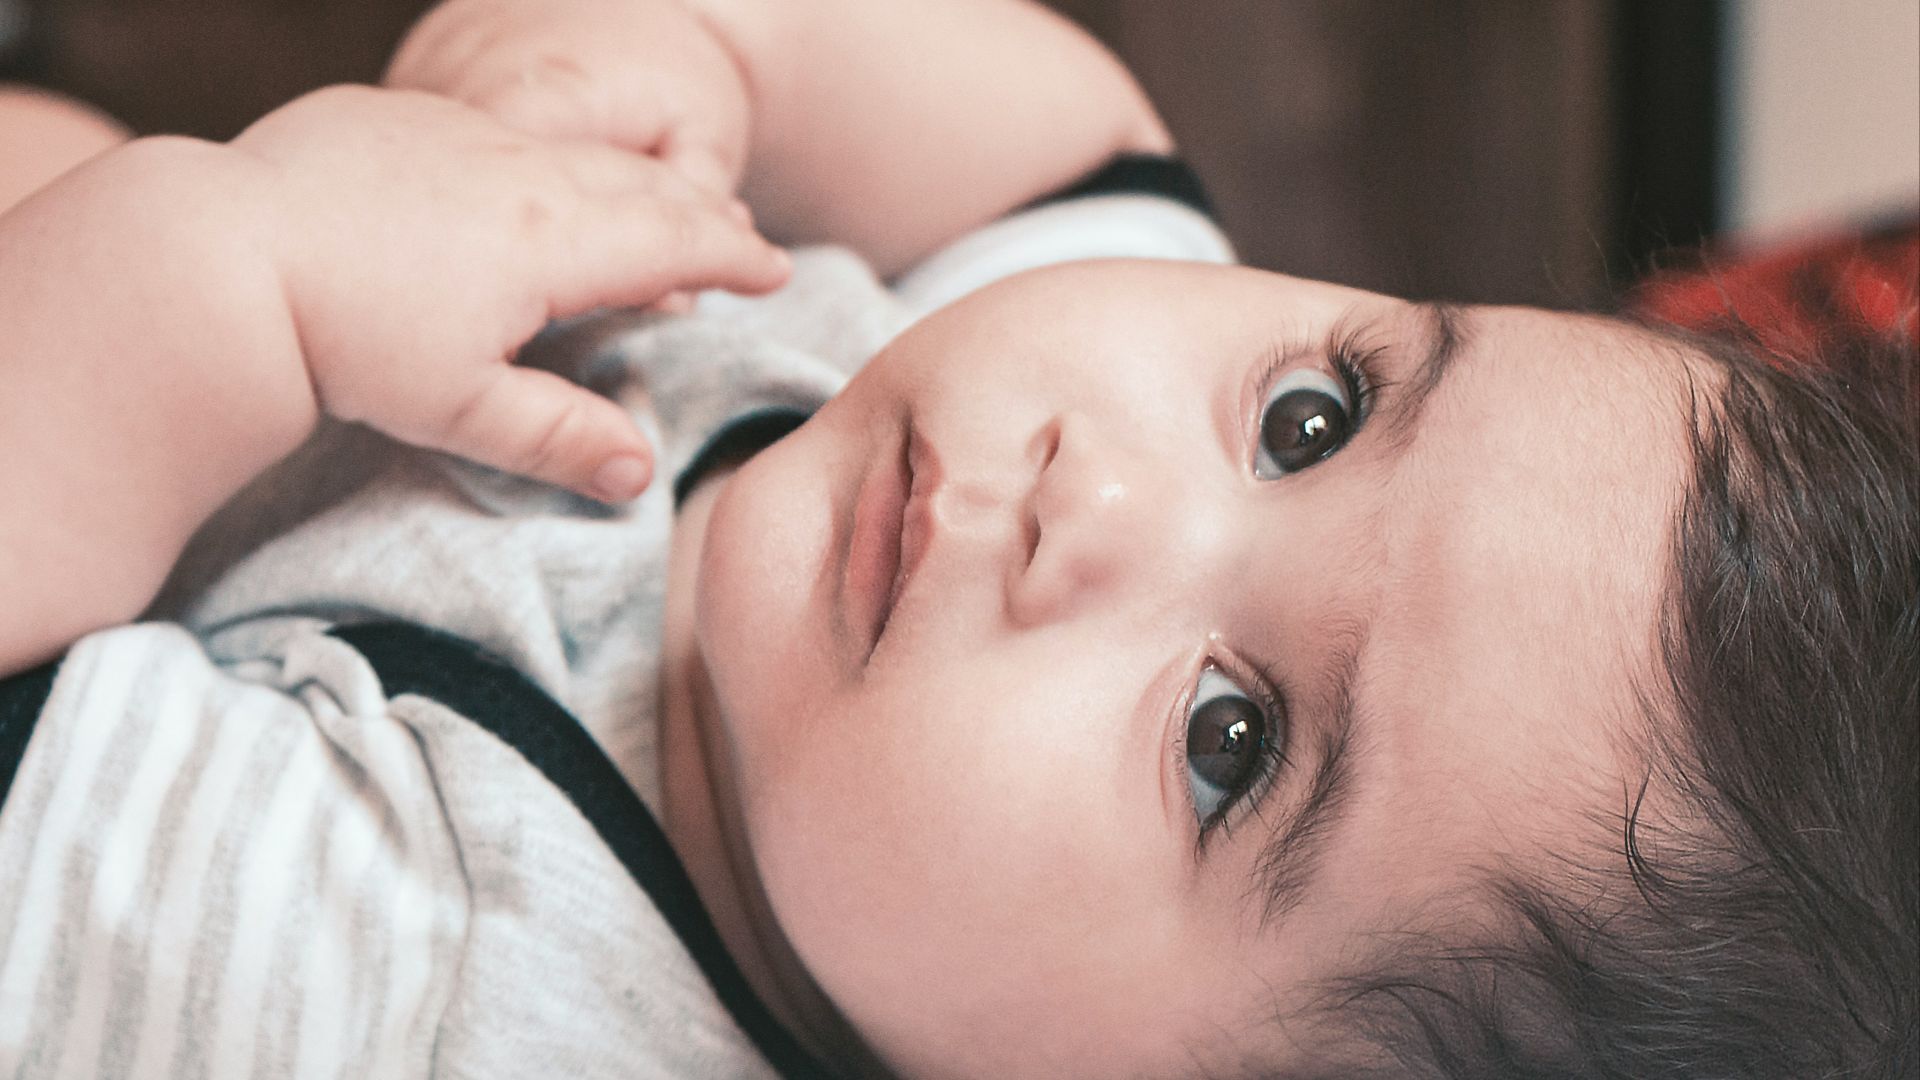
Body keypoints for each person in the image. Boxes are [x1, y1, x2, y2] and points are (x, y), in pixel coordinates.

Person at [0, 1, 1912, 1077]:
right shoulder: (1030, 441)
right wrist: (719, 54)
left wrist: (238, 276)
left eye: (1231, 742)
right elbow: (1068, 146)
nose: (1101, 501)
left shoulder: (431, 994)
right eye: (1317, 416)